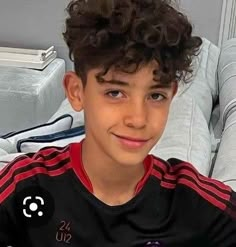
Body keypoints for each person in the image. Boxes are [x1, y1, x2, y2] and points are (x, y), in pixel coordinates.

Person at [0, 0, 236, 246]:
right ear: (76, 92)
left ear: (172, 95)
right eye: (115, 93)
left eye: (155, 95)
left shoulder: (192, 202)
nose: (137, 119)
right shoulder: (26, 184)